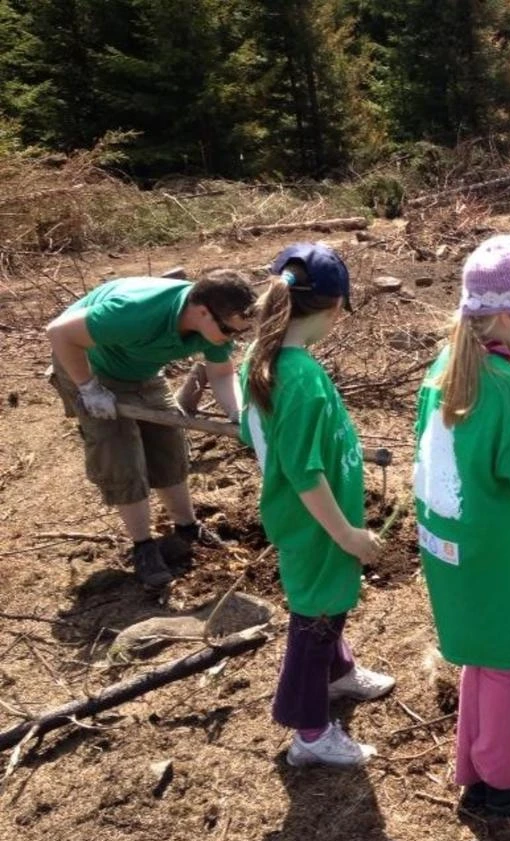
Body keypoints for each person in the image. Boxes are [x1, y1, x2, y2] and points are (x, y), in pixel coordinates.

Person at [413, 234, 510, 817]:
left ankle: (476, 760)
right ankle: (504, 778)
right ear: (507, 315)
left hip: (450, 546)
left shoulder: (445, 368)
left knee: (480, 653)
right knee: (509, 661)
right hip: (501, 552)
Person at [240, 243, 395, 769]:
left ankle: (338, 672)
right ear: (333, 309)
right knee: (315, 618)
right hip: (318, 523)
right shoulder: (301, 377)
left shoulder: (261, 358)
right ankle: (308, 729)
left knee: (327, 605)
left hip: (308, 518)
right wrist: (347, 534)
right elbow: (304, 473)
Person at [46, 269, 257, 587]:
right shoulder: (135, 312)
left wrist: (238, 413)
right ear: (202, 312)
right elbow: (59, 333)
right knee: (120, 454)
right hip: (89, 366)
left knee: (168, 446)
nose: (232, 338)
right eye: (229, 330)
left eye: (239, 332)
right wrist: (89, 388)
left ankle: (187, 527)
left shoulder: (216, 323)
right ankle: (143, 546)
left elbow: (222, 374)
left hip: (142, 370)